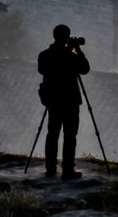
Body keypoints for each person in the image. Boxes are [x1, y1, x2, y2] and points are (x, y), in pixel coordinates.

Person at [38, 24, 90, 180]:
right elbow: (85, 68)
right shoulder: (72, 53)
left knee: (52, 134)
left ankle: (50, 169)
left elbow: (42, 70)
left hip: (53, 100)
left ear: (54, 36)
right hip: (71, 100)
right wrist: (76, 49)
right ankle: (68, 170)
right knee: (70, 136)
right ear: (67, 37)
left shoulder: (45, 54)